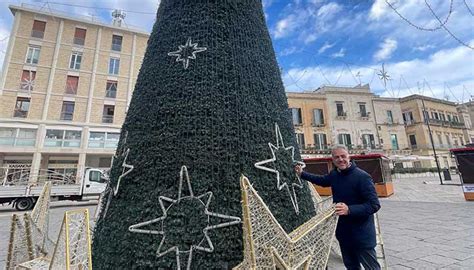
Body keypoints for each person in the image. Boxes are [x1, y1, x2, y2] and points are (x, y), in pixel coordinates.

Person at [295, 144, 381, 270]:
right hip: (344, 233)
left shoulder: (362, 177)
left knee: (372, 268)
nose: (340, 159)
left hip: (362, 235)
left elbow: (374, 205)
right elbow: (322, 181)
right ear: (333, 159)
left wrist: (349, 210)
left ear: (349, 156)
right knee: (351, 266)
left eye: (343, 156)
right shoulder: (335, 174)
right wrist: (302, 174)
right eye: (336, 157)